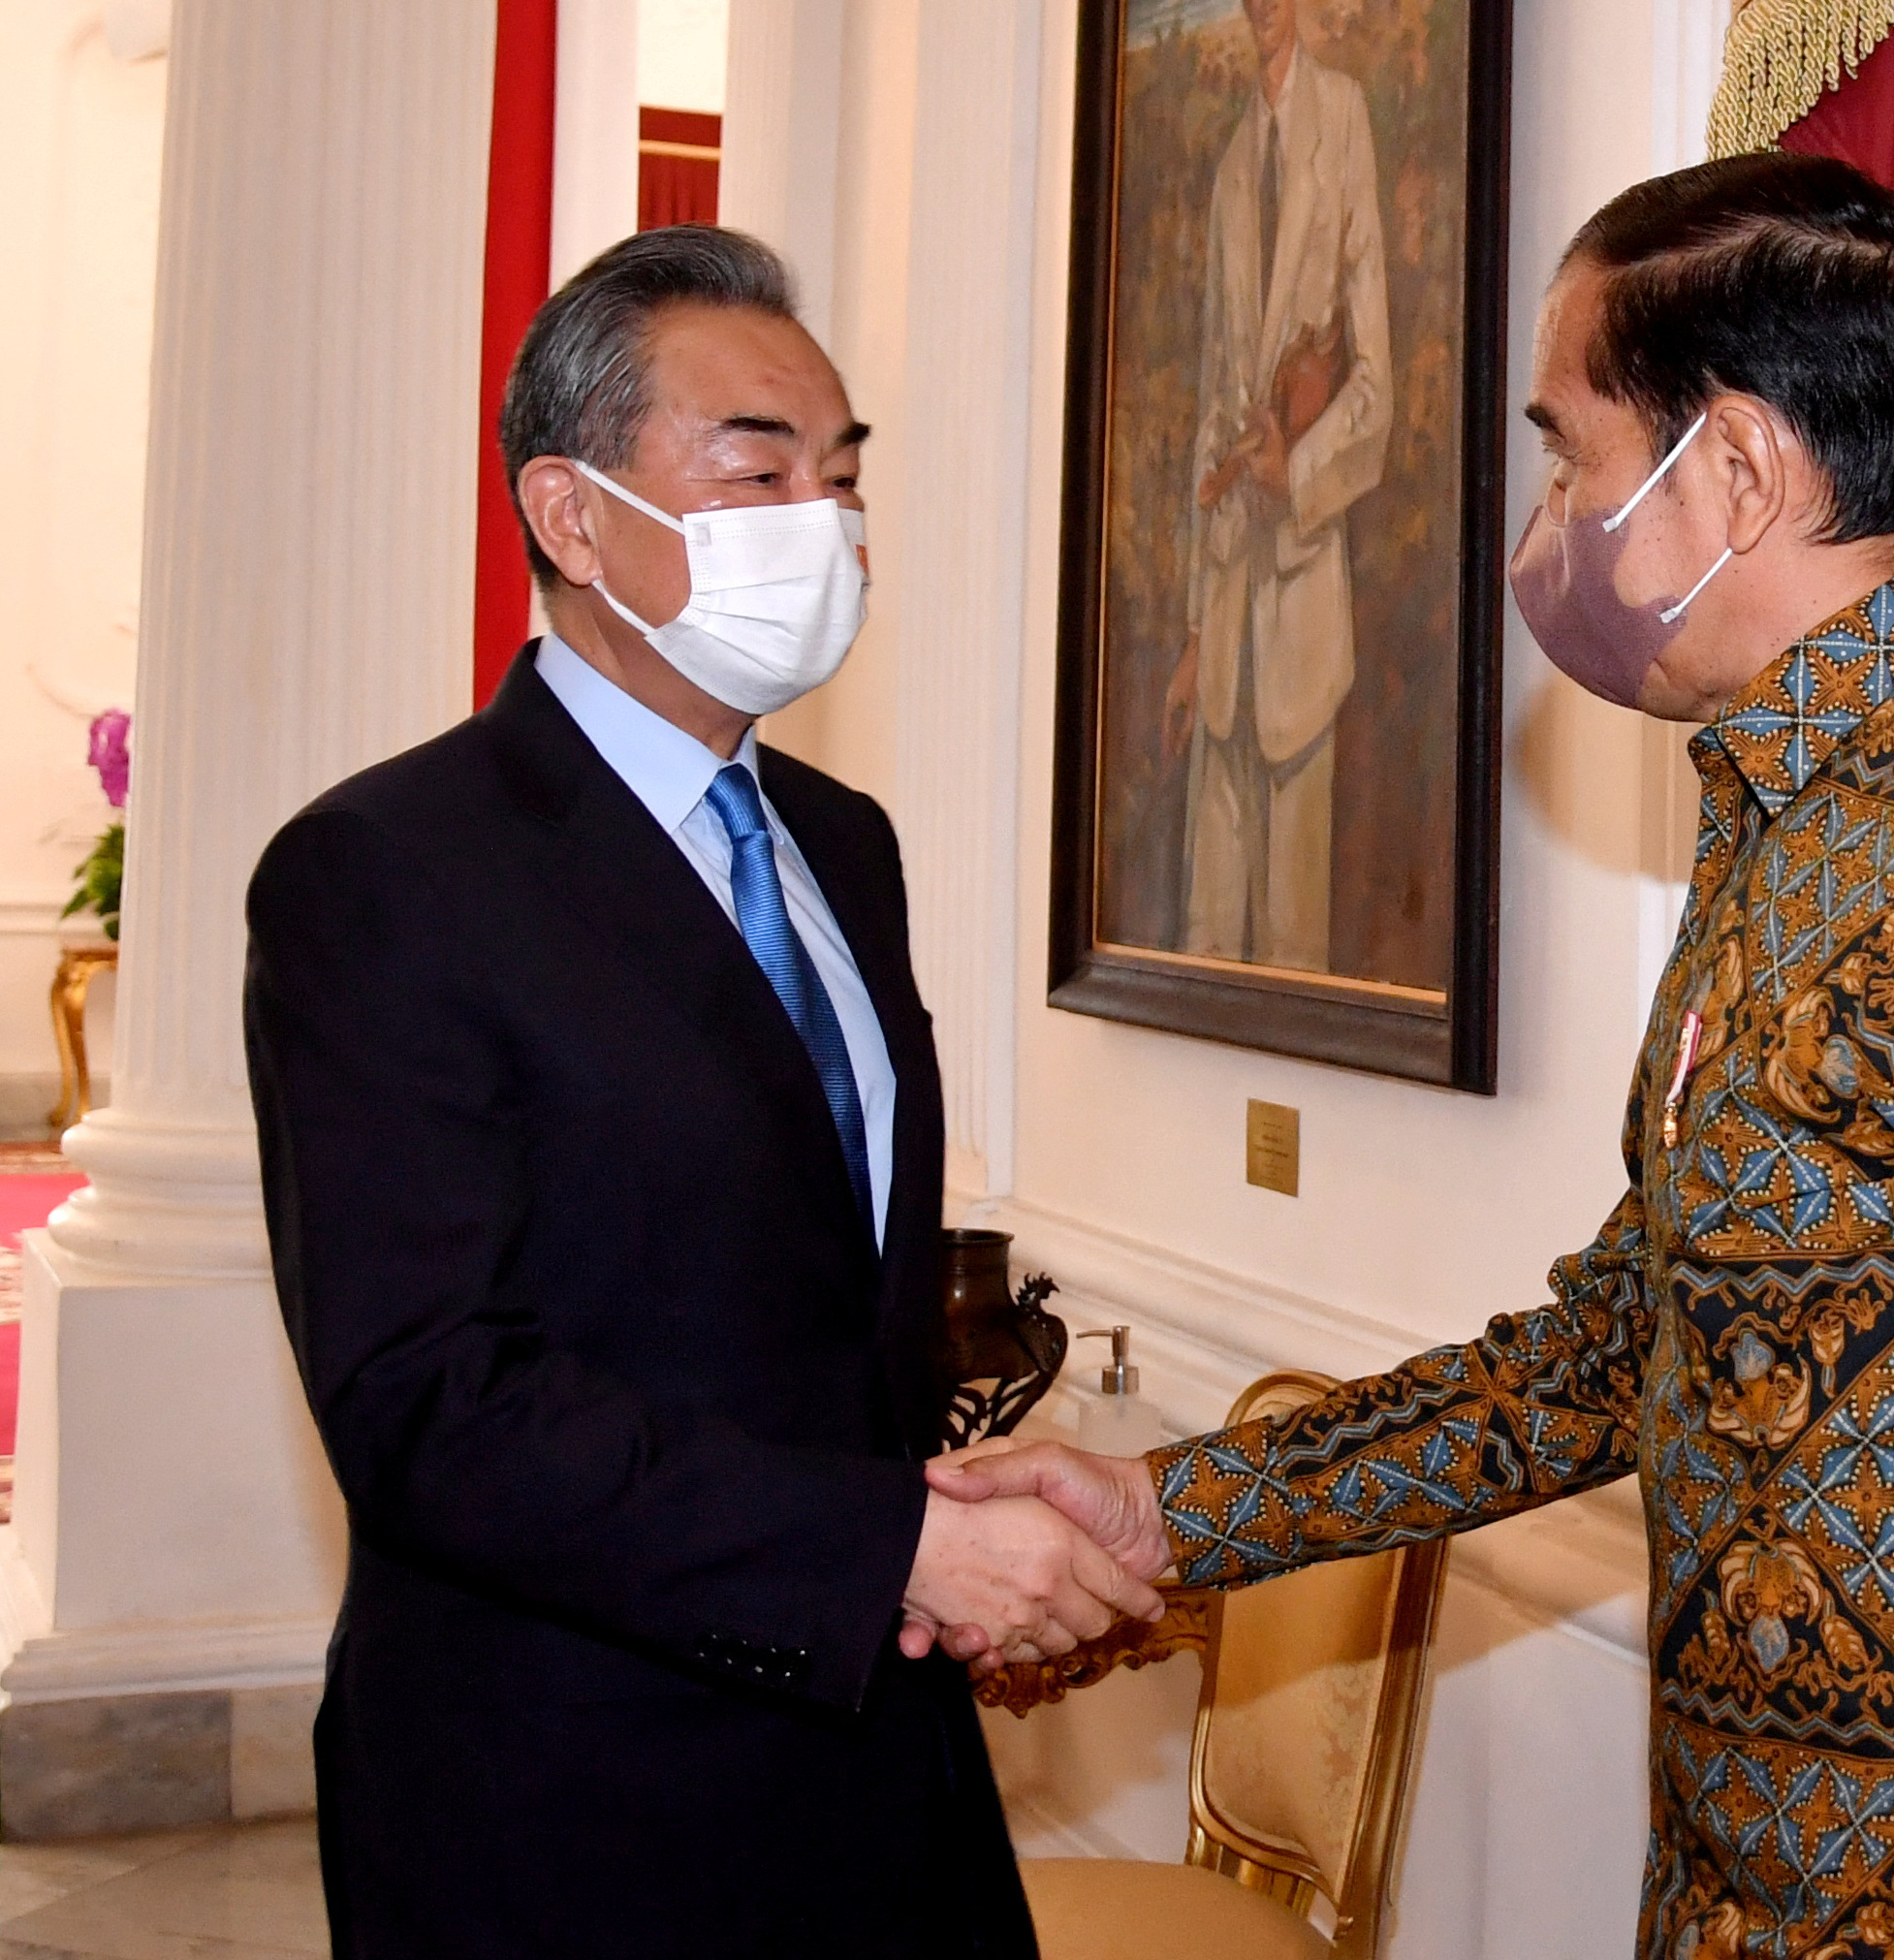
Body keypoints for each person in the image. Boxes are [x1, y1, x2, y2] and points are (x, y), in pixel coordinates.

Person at [931, 155, 1894, 1959]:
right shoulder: (1777, 821)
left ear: (1735, 468)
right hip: (1742, 1882)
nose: (1556, 518)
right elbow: (1618, 1348)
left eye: (1574, 455)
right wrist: (1164, 1505)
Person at [244, 226, 1156, 1959]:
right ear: (571, 516)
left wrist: (954, 1533)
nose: (825, 522)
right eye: (759, 471)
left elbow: (821, 1297)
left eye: (843, 475)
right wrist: (887, 1547)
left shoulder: (842, 841)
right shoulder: (388, 870)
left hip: (878, 1758)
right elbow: (427, 1397)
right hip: (567, 1799)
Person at [1169, 0, 1392, 971]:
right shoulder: (1230, 166)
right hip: (1225, 618)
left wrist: (1291, 473)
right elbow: (1208, 410)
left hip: (1300, 601)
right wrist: (1192, 634)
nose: (1260, 8)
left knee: (1295, 951)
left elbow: (1374, 381)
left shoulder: (1342, 118)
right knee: (1208, 943)